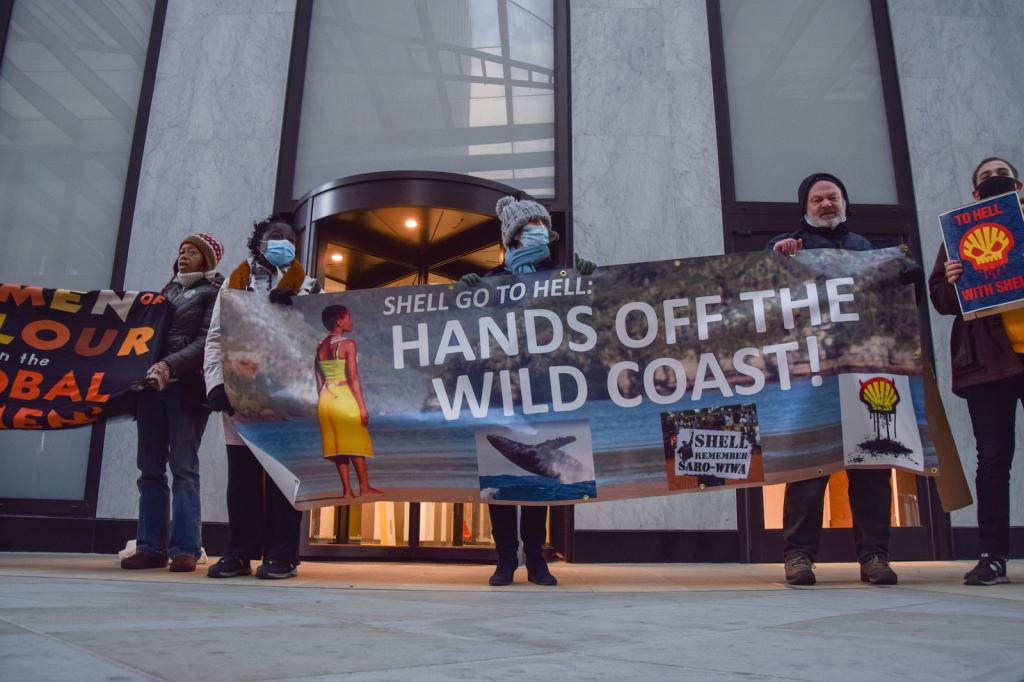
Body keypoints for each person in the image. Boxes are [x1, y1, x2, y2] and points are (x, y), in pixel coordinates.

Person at [768, 172, 898, 586]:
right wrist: (777, 259)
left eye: (833, 197)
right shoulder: (790, 247)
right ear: (805, 208)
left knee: (872, 466)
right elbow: (759, 291)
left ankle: (874, 556)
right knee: (809, 466)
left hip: (864, 371)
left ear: (845, 203)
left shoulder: (865, 249)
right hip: (813, 377)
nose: (826, 204)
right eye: (817, 199)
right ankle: (799, 557)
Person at [462, 194, 596, 586]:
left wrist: (589, 280)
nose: (537, 233)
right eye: (527, 228)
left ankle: (537, 558)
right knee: (500, 475)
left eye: (541, 227)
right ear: (512, 238)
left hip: (545, 390)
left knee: (542, 479)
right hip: (500, 393)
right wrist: (465, 295)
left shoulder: (561, 279)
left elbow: (584, 317)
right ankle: (505, 557)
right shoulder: (491, 283)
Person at [204, 214, 322, 580]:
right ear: (259, 242)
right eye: (275, 236)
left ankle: (282, 554)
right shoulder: (232, 288)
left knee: (283, 478)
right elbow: (214, 338)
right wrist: (215, 385)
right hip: (241, 394)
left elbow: (317, 340)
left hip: (286, 397)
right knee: (242, 480)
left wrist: (293, 311)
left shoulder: (310, 288)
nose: (282, 242)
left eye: (288, 238)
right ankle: (239, 553)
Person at [929, 157, 1023, 586]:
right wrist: (949, 281)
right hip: (988, 363)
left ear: (1018, 183)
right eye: (985, 177)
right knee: (993, 461)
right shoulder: (958, 236)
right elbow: (942, 301)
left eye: (1000, 174)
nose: (994, 180)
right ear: (974, 193)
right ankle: (992, 555)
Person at [121, 233, 224, 572]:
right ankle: (150, 546)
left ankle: (185, 549)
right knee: (149, 469)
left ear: (206, 260)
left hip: (184, 389)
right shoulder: (165, 293)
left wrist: (169, 364)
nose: (184, 255)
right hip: (151, 390)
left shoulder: (214, 293)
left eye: (192, 251)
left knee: (183, 468)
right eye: (181, 250)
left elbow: (205, 342)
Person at [316, 304, 381, 498]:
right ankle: (364, 487)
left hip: (326, 399)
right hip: (344, 396)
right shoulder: (348, 344)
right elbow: (353, 377)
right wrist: (362, 406)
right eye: (348, 317)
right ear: (339, 320)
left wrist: (324, 399)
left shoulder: (320, 345)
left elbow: (318, 378)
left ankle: (347, 491)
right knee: (355, 442)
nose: (351, 321)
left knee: (339, 447)